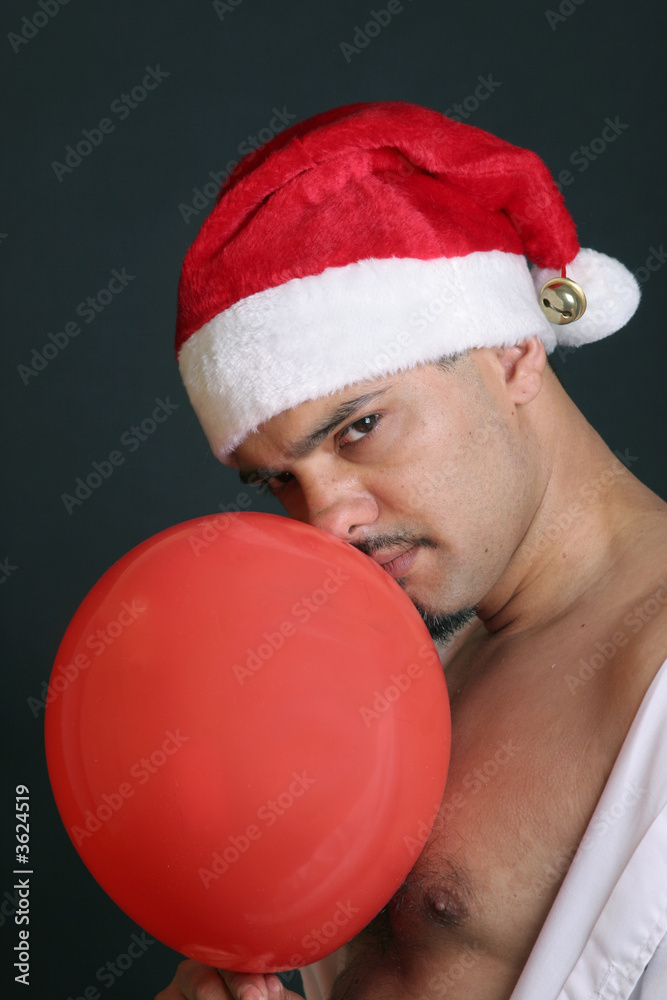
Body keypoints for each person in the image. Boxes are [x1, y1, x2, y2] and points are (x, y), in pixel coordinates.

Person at [156, 102, 667, 1000]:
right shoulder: (389, 667)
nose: (328, 524)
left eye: (358, 428)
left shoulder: (649, 673)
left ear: (511, 351)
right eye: (278, 479)